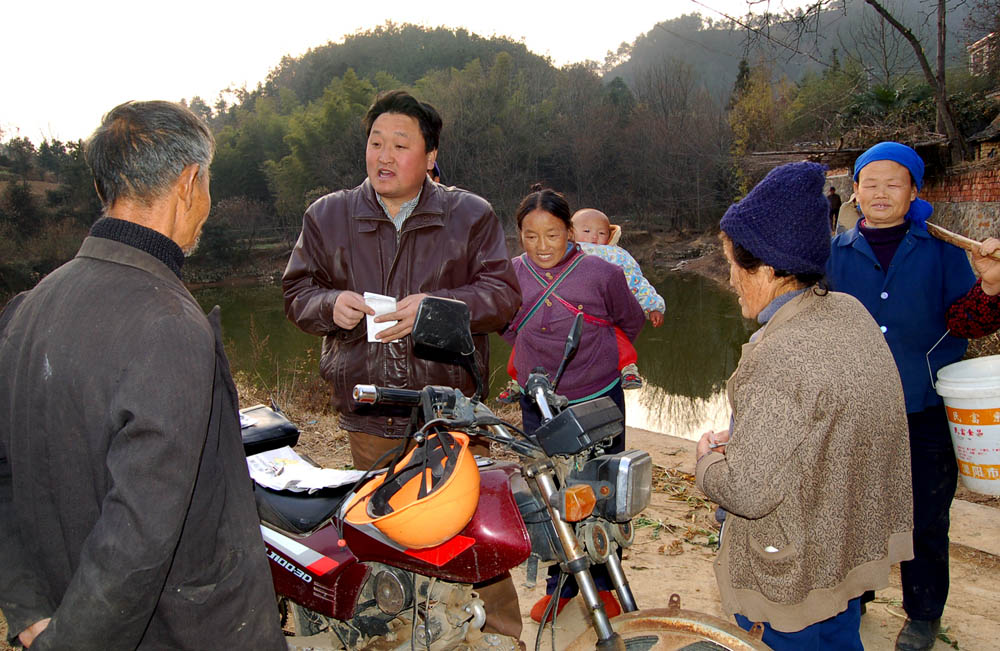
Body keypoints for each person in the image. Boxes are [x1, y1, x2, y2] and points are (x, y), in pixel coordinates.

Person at [0, 101, 286, 650]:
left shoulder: (29, 307)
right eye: (207, 185)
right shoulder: (167, 324)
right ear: (188, 182)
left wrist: (30, 607)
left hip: (59, 607)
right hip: (172, 632)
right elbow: (137, 535)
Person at [281, 89, 522, 643]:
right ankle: (405, 633)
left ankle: (503, 635)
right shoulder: (328, 215)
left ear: (431, 155)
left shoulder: (470, 214)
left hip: (449, 414)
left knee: (471, 538)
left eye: (400, 144)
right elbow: (297, 292)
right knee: (385, 536)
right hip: (370, 411)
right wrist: (329, 306)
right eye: (375, 142)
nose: (383, 156)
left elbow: (503, 296)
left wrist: (438, 311)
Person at [696, 161, 913, 650]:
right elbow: (837, 420)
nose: (730, 279)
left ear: (769, 272)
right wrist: (752, 433)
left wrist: (707, 462)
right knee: (840, 637)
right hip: (842, 544)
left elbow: (749, 492)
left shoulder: (781, 353)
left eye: (734, 264)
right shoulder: (848, 312)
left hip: (794, 567)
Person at [827, 141, 990, 651]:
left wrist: (991, 290)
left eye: (893, 183)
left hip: (924, 408)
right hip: (855, 411)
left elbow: (966, 322)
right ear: (854, 192)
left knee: (925, 518)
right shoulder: (834, 254)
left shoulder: (944, 251)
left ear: (914, 191)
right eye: (869, 183)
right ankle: (857, 597)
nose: (880, 193)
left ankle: (922, 616)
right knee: (854, 510)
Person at [501, 186, 645, 623]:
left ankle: (608, 583)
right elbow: (507, 328)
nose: (542, 246)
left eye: (552, 234)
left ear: (570, 232)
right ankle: (560, 587)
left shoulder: (602, 273)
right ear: (519, 235)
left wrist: (590, 359)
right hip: (539, 405)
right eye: (530, 236)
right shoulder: (509, 275)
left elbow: (630, 322)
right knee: (550, 495)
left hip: (598, 401)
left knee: (601, 494)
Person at [573, 208, 665, 388]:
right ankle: (519, 380)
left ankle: (628, 369)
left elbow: (636, 282)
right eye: (586, 231)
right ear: (571, 232)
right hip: (571, 311)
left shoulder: (618, 255)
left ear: (610, 235)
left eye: (601, 233)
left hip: (604, 313)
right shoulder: (566, 251)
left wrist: (653, 306)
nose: (593, 237)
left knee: (616, 337)